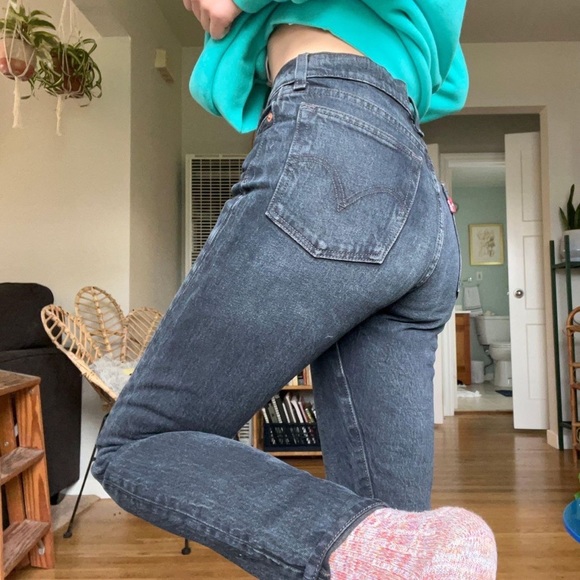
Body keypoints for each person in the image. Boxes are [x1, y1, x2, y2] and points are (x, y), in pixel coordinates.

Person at [92, 1, 497, 578]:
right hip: (419, 189)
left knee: (140, 441)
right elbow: (447, 78)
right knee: (389, 540)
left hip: (337, 140)